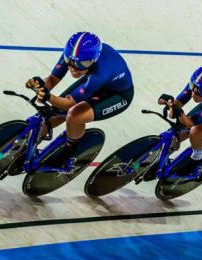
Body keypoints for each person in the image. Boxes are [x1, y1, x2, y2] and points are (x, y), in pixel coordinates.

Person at [25, 32, 134, 166]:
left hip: (117, 94)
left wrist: (48, 96)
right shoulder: (74, 55)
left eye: (82, 64)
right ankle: (26, 146)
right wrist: (40, 86)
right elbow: (53, 79)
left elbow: (70, 104)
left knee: (74, 115)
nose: (74, 68)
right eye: (69, 62)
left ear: (93, 59)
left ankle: (70, 149)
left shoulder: (101, 72)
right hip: (96, 83)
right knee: (51, 114)